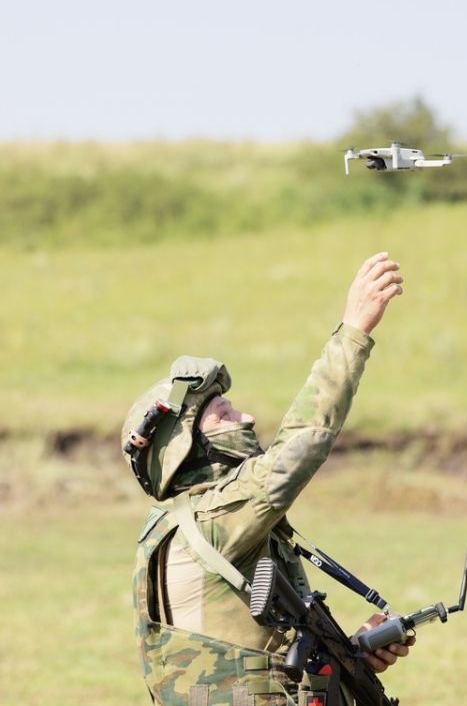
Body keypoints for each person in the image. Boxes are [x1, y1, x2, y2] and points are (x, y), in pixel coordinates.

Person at [125, 252, 412, 706]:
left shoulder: (202, 525)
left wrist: (350, 652)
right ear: (185, 448)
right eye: (224, 414)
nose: (248, 417)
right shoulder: (211, 520)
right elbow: (301, 445)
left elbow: (257, 661)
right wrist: (354, 330)